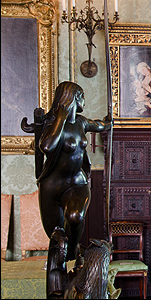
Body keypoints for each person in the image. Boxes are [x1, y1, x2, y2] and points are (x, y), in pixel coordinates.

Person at [37, 81, 112, 262]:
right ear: (73, 98)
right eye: (82, 96)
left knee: (75, 216)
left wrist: (109, 121)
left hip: (77, 182)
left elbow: (99, 125)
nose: (84, 101)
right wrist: (61, 118)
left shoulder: (81, 122)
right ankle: (60, 264)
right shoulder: (52, 124)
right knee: (56, 233)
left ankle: (73, 251)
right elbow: (46, 146)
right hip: (53, 185)